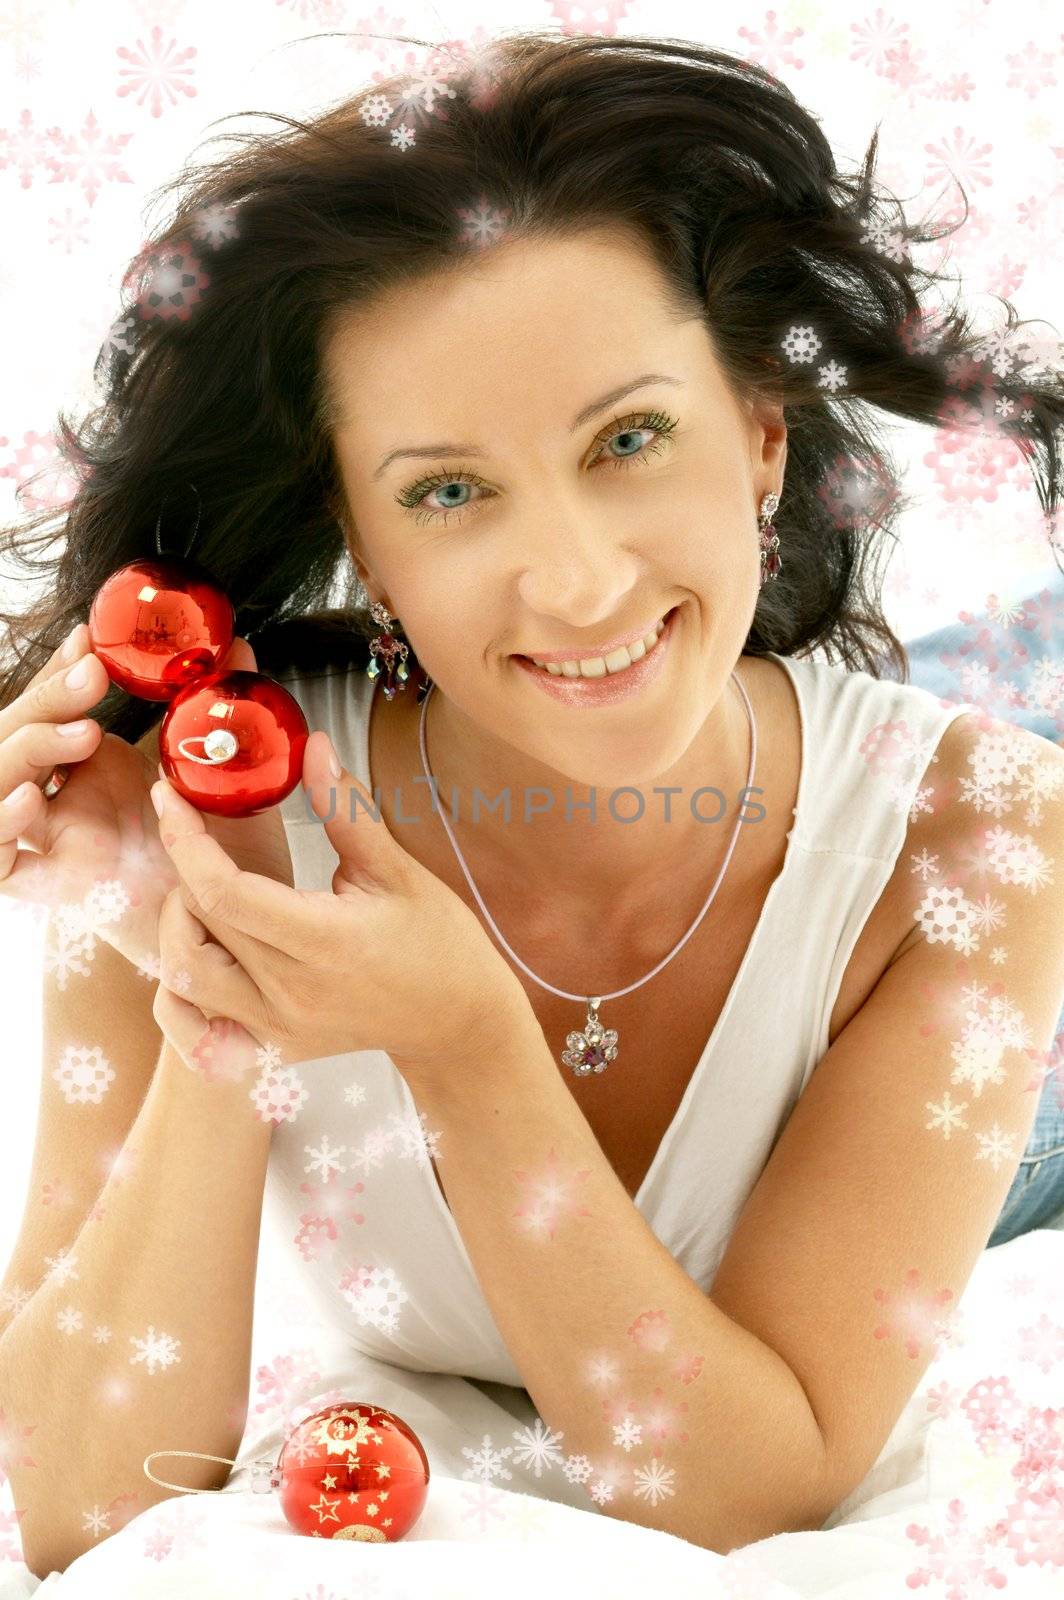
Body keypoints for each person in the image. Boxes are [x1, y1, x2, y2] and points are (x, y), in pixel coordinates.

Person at [1, 27, 1062, 1579]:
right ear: (356, 532)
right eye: (447, 490)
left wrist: (465, 1042)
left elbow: (751, 1494)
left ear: (763, 436)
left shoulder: (979, 845)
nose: (573, 579)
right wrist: (215, 980)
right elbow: (78, 1503)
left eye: (631, 438)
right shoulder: (212, 791)